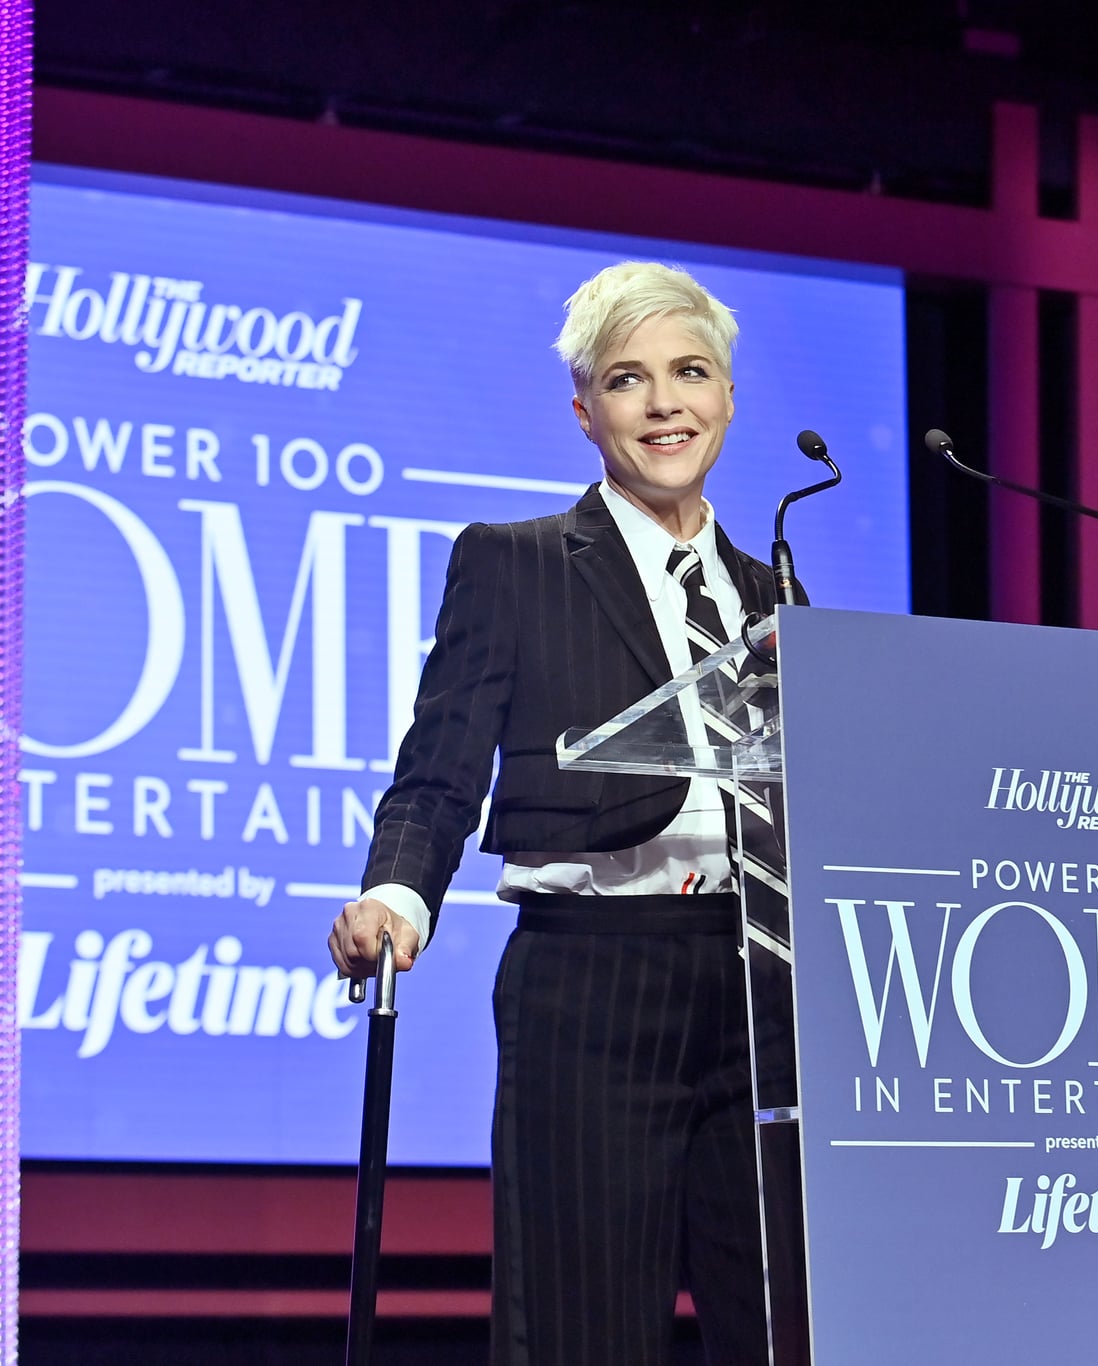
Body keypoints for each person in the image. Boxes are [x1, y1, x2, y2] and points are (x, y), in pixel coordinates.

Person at [326, 261, 775, 1366]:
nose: (664, 403)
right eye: (629, 379)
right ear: (585, 410)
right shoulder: (513, 565)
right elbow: (437, 766)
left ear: (726, 397)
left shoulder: (772, 597)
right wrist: (396, 891)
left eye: (689, 373)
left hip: (767, 990)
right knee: (582, 1330)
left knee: (783, 1328)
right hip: (592, 981)